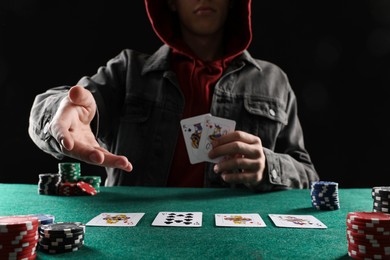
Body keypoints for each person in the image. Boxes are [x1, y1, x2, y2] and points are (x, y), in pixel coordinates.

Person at [28, 0, 319, 191]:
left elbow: (309, 177)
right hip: (137, 237)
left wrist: (268, 166)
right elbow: (65, 106)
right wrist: (60, 114)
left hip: (237, 240)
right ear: (170, 3)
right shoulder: (128, 71)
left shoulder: (273, 81)